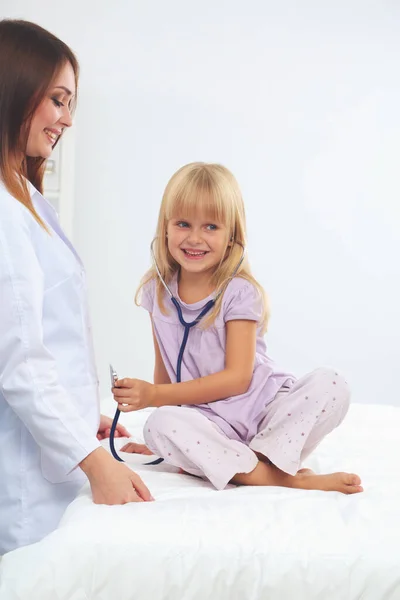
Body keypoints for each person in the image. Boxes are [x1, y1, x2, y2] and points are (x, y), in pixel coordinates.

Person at [113, 162, 363, 495]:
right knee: (160, 425)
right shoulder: (156, 291)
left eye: (211, 227)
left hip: (263, 413)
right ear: (166, 227)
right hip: (211, 424)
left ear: (232, 234)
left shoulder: (238, 291)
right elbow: (166, 369)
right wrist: (162, 440)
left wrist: (154, 395)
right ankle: (281, 476)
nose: (195, 238)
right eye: (183, 223)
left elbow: (237, 379)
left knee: (333, 384)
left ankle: (259, 465)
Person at [0, 19, 152, 556]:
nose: (67, 118)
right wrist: (92, 462)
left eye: (71, 104)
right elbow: (19, 362)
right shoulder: (4, 213)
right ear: (16, 88)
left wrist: (87, 414)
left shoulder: (28, 197)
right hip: (28, 481)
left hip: (58, 455)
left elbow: (58, 339)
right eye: (58, 100)